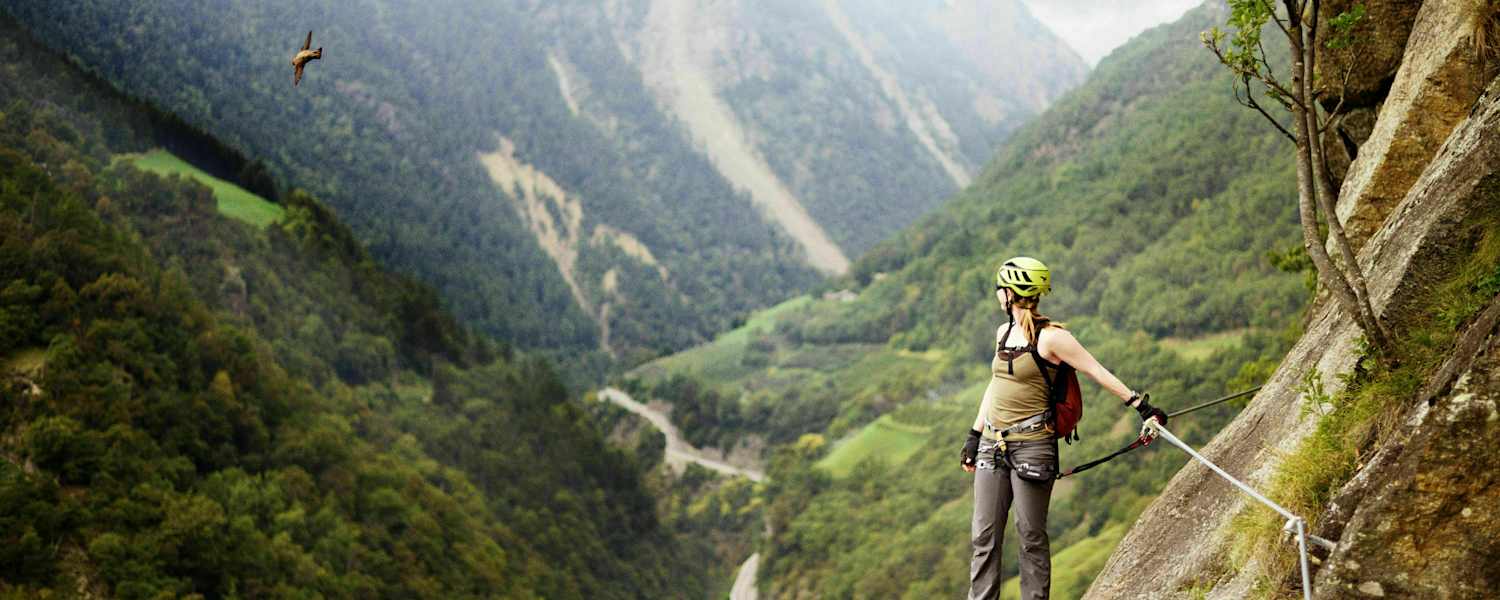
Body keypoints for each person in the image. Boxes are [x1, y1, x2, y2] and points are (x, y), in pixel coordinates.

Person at [960, 257, 1167, 600]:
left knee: (1030, 537)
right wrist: (974, 434)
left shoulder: (1052, 338)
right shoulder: (1003, 333)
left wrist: (1141, 407)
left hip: (1032, 447)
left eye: (1001, 287)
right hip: (992, 444)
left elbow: (1096, 370)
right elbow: (995, 386)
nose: (997, 293)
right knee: (984, 537)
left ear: (1011, 293)